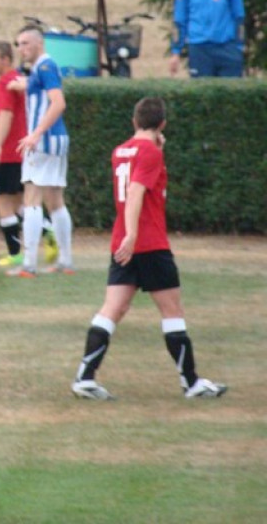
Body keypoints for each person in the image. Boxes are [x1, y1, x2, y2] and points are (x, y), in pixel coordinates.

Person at [72, 97, 228, 401]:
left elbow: (140, 177)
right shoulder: (150, 152)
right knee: (172, 312)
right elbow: (135, 193)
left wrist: (125, 237)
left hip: (122, 242)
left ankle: (84, 378)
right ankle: (192, 383)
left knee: (112, 310)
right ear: (162, 124)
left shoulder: (121, 150)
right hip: (148, 243)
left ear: (133, 121)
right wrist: (133, 234)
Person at [0, 41, 59, 268]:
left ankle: (16, 252)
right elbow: (10, 119)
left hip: (9, 153)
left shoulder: (5, 83)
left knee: (3, 203)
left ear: (6, 60)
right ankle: (50, 236)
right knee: (21, 203)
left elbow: (5, 117)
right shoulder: (19, 81)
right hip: (23, 150)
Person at [7, 25, 74, 278]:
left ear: (38, 43)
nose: (21, 49)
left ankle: (29, 264)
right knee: (55, 201)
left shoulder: (45, 66)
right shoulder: (41, 69)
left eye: (25, 43)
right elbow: (40, 87)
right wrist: (23, 85)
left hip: (43, 142)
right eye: (19, 44)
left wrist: (35, 134)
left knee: (31, 199)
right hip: (56, 140)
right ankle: (66, 262)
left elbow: (58, 102)